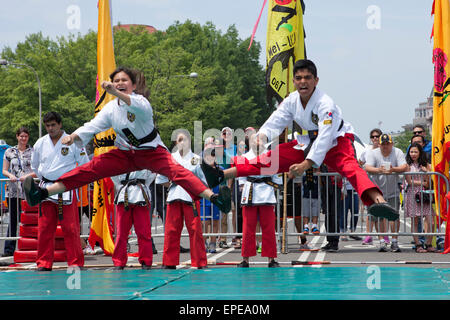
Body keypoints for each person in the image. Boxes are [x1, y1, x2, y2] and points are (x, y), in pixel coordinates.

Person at [202, 59, 397, 223]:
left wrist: (306, 165)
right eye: (299, 78)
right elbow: (275, 121)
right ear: (294, 81)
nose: (303, 82)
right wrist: (261, 136)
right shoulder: (291, 100)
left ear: (316, 80)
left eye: (307, 78)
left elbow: (325, 137)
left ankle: (379, 202)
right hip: (307, 140)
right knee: (271, 159)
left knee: (351, 168)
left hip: (336, 140)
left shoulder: (325, 103)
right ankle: (220, 174)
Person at [23, 67, 231, 219]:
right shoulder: (111, 109)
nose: (120, 82)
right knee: (91, 169)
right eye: (116, 79)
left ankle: (215, 198)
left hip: (151, 152)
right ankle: (41, 193)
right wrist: (74, 136)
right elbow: (93, 126)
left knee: (178, 172)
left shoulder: (141, 102)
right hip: (124, 154)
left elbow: (129, 101)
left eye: (124, 80)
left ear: (132, 85)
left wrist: (113, 90)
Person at [31, 112, 90, 271]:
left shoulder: (73, 141)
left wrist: (74, 179)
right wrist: (44, 177)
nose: (50, 128)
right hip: (46, 188)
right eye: (47, 126)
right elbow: (35, 166)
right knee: (45, 228)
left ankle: (76, 262)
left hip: (66, 187)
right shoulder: (40, 143)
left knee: (70, 228)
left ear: (60, 124)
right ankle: (43, 263)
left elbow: (84, 163)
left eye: (53, 125)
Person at [156, 131, 208, 269]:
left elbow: (203, 181)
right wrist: (174, 184)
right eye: (179, 140)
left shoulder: (196, 159)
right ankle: (169, 262)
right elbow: (161, 179)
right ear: (176, 143)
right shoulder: (170, 158)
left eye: (184, 139)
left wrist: (193, 187)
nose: (182, 142)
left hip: (191, 197)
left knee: (195, 230)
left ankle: (199, 262)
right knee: (171, 230)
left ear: (189, 141)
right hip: (174, 195)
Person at [237, 132, 282, 267]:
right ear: (249, 142)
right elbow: (241, 177)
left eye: (261, 140)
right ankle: (245, 259)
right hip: (250, 192)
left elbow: (276, 177)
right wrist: (243, 189)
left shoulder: (271, 157)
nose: (258, 142)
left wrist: (275, 187)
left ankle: (271, 259)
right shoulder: (243, 157)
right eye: (255, 140)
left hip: (267, 192)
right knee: (247, 228)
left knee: (268, 228)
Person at [365, 134, 407, 252]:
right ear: (379, 144)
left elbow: (404, 166)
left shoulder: (397, 151)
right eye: (383, 144)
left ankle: (394, 241)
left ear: (391, 143)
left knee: (394, 216)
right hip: (377, 192)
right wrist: (379, 170)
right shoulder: (373, 153)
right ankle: (382, 241)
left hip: (393, 190)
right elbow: (367, 167)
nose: (385, 146)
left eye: (387, 144)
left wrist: (393, 169)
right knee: (379, 216)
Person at [110, 169, 156, 269]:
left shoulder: (145, 155)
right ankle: (119, 261)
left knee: (144, 232)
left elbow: (152, 173)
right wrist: (120, 186)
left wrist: (144, 185)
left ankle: (146, 261)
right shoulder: (120, 156)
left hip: (141, 194)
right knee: (122, 232)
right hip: (124, 194)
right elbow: (113, 173)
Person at [2, 127, 35, 257]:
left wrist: (28, 176)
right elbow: (5, 169)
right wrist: (10, 175)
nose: (23, 138)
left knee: (29, 219)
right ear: (17, 137)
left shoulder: (33, 151)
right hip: (13, 190)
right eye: (21, 136)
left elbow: (38, 170)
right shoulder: (9, 152)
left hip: (28, 189)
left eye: (25, 136)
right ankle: (9, 249)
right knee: (13, 219)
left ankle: (29, 247)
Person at [404, 142, 436, 253]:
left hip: (424, 194)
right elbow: (409, 181)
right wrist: (422, 182)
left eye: (415, 152)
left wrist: (426, 174)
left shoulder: (425, 165)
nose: (413, 154)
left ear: (420, 153)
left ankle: (428, 243)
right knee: (415, 221)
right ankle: (418, 244)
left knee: (431, 219)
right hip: (412, 194)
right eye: (411, 152)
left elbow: (428, 182)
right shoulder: (407, 165)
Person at [359, 128, 383, 245]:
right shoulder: (367, 150)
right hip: (370, 185)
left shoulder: (384, 149)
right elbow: (359, 162)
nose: (375, 138)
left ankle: (382, 237)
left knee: (382, 212)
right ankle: (369, 235)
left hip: (384, 184)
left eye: (377, 136)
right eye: (373, 136)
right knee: (371, 211)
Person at [301, 167, 320, 236]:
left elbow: (321, 183)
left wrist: (318, 173)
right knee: (305, 212)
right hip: (306, 196)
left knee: (315, 211)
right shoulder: (304, 175)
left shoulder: (317, 175)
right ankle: (306, 227)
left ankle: (314, 226)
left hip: (315, 196)